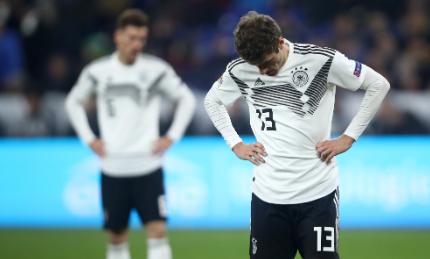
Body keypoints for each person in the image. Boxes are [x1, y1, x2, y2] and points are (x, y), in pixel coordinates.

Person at [204, 11, 390, 259]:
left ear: (280, 42)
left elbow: (378, 84)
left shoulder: (320, 61)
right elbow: (212, 101)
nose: (264, 70)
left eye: (268, 62)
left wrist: (348, 137)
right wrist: (235, 143)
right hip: (267, 197)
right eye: (257, 65)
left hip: (318, 194)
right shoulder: (241, 70)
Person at [66, 9, 195, 259]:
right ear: (117, 37)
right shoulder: (98, 72)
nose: (137, 44)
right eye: (131, 37)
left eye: (141, 38)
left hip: (148, 165)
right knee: (116, 237)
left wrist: (171, 136)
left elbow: (186, 100)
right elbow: (73, 102)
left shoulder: (156, 69)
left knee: (157, 231)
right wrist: (89, 139)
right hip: (113, 167)